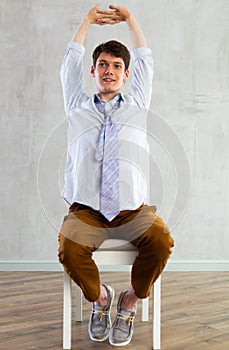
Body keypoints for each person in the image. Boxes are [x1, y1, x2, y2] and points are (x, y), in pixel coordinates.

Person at [58, 4, 174, 347]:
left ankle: (128, 302)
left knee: (161, 242)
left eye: (117, 66)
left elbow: (146, 59)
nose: (110, 71)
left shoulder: (138, 102)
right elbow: (68, 63)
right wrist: (87, 21)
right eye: (103, 65)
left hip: (131, 209)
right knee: (68, 248)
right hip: (87, 209)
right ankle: (101, 301)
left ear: (126, 75)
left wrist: (131, 21)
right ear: (93, 71)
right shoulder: (76, 105)